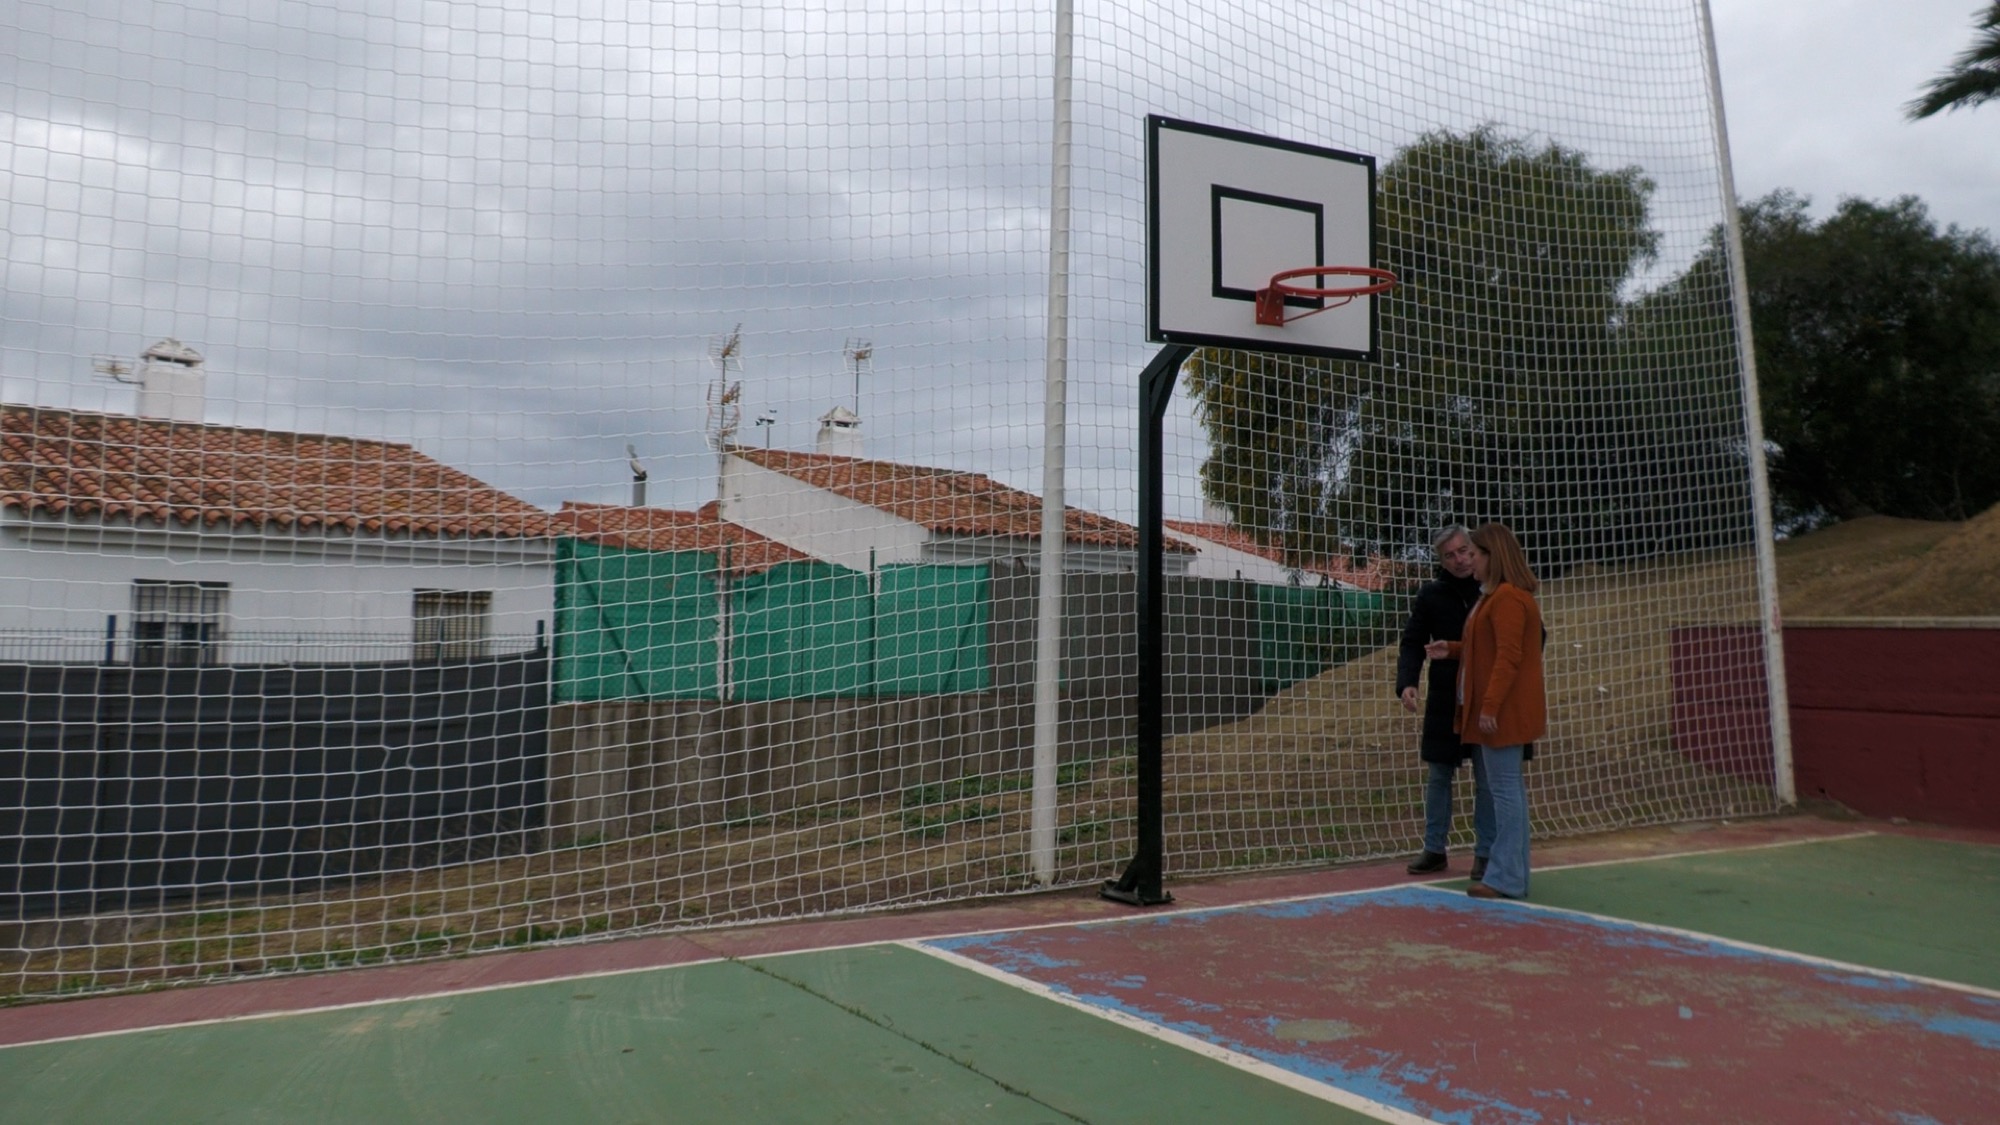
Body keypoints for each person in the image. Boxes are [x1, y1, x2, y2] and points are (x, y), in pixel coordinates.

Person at [1425, 522, 1545, 900]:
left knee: (1505, 794)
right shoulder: (1495, 597)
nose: (1469, 561)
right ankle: (1512, 874)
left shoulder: (1507, 598)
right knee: (1508, 792)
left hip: (1504, 712)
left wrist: (1490, 705)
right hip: (1501, 709)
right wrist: (1453, 649)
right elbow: (1488, 647)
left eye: (1474, 554)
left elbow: (1509, 657)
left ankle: (1506, 877)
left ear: (1493, 556)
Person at [1395, 524, 1491, 879]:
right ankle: (1434, 848)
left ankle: (1486, 853)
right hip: (1445, 697)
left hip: (1485, 696)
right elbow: (1412, 641)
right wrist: (1407, 683)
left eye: (1464, 551)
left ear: (1474, 549)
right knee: (1438, 774)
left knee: (1487, 776)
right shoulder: (1431, 595)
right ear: (1441, 560)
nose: (1460, 560)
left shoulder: (1494, 590)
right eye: (1450, 555)